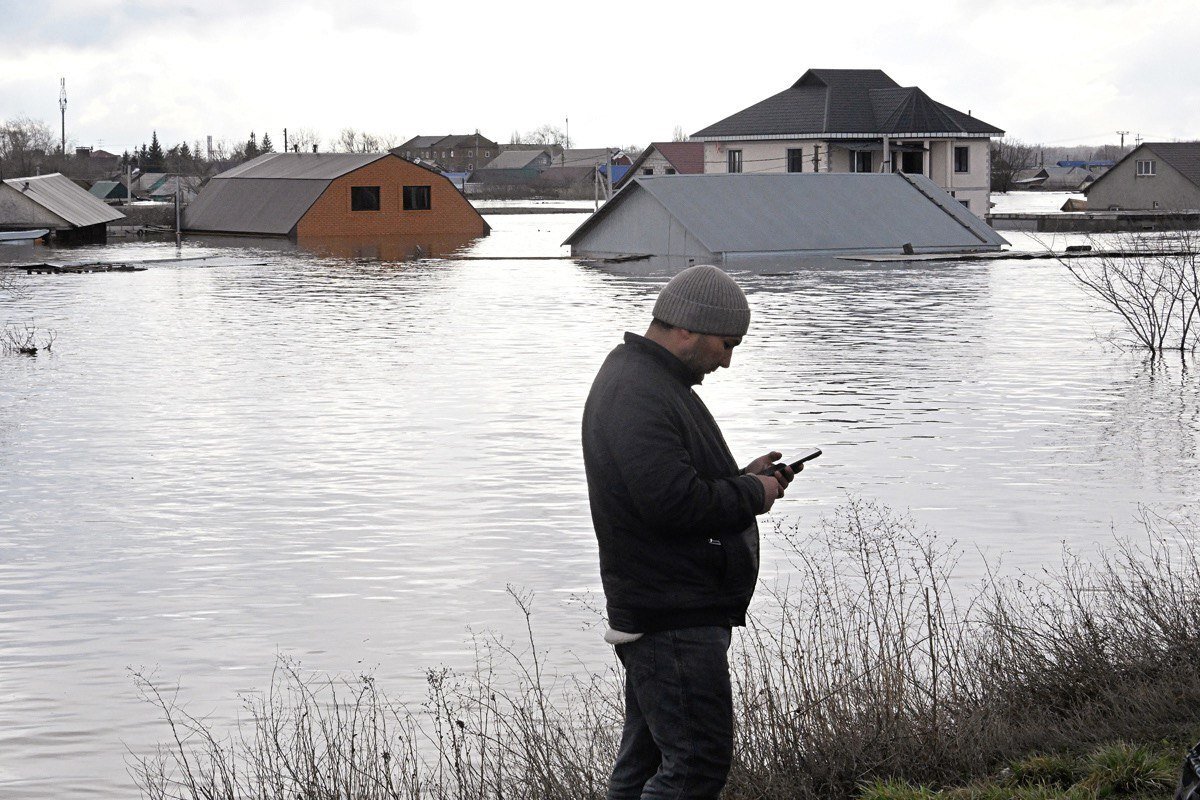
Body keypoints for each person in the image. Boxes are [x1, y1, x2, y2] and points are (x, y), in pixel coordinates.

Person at [582, 264, 797, 800]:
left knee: (643, 767)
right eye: (726, 344)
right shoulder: (639, 390)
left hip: (667, 609)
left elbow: (672, 483)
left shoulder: (650, 381)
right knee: (696, 766)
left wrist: (741, 478)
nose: (728, 360)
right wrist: (755, 494)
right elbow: (671, 503)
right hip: (672, 615)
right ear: (688, 328)